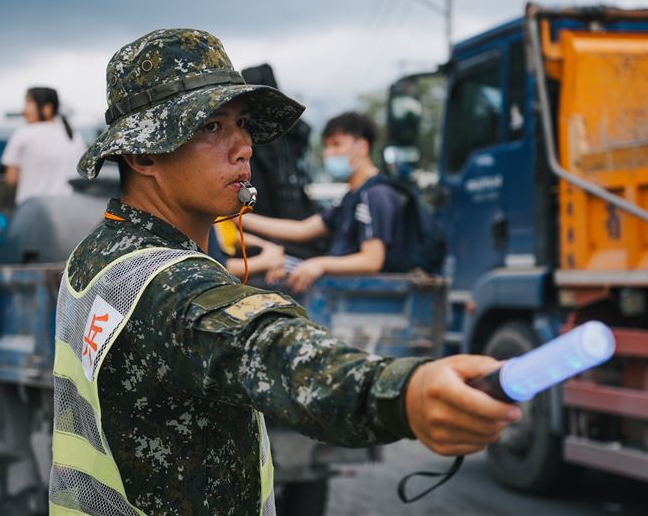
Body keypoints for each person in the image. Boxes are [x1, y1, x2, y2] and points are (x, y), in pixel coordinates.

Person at [49, 28, 520, 516]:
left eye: (242, 123)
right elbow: (271, 350)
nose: (244, 146)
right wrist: (407, 393)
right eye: (210, 126)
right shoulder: (166, 284)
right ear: (144, 153)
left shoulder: (98, 252)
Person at [242, 112, 407, 293]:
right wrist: (238, 217)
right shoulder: (351, 196)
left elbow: (372, 260)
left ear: (362, 147)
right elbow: (302, 229)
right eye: (327, 147)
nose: (329, 153)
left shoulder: (376, 194)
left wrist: (320, 264)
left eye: (337, 145)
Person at [1, 87, 86, 205]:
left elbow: (11, 179)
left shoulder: (23, 133)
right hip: (67, 208)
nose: (24, 110)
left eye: (29, 102)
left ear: (47, 108)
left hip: (32, 209)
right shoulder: (75, 136)